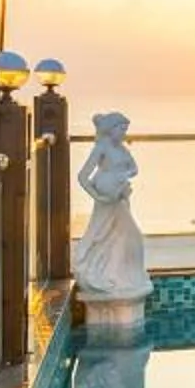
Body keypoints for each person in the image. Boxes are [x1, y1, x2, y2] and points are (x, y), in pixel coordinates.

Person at [73, 111, 151, 311]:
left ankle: (120, 277)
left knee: (126, 237)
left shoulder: (122, 148)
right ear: (111, 129)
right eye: (122, 129)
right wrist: (97, 196)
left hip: (120, 196)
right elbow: (82, 176)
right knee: (102, 232)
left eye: (126, 130)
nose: (124, 134)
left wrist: (123, 175)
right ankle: (97, 271)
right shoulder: (102, 148)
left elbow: (134, 168)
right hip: (107, 198)